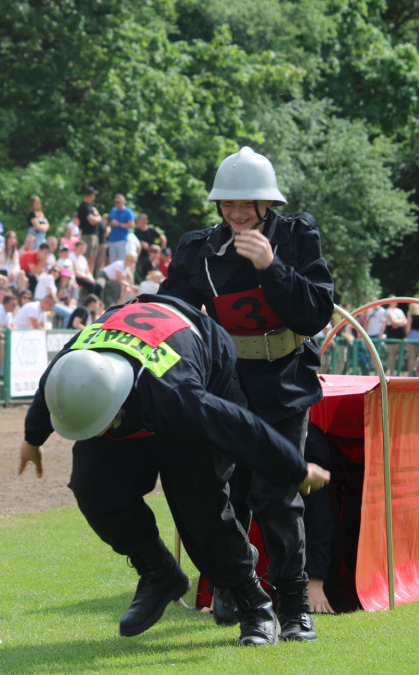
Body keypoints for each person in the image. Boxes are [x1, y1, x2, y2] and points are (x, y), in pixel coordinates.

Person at [19, 294, 331, 645]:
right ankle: (158, 572)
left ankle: (252, 602)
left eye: (101, 426)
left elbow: (241, 428)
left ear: (117, 405)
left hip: (200, 365)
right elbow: (51, 386)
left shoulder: (178, 394)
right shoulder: (74, 361)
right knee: (92, 484)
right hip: (130, 365)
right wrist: (32, 439)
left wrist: (293, 467)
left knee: (199, 507)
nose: (99, 434)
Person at [158, 146, 335, 640]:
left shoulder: (298, 236)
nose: (237, 213)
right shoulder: (197, 249)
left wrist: (272, 266)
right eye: (228, 203)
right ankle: (238, 590)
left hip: (283, 384)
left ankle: (295, 607)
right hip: (225, 389)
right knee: (224, 497)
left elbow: (316, 312)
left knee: (278, 496)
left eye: (248, 203)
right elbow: (173, 314)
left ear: (267, 203)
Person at [77, 186, 101, 265]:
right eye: (94, 194)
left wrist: (96, 217)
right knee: (87, 257)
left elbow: (95, 218)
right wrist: (99, 218)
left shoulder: (91, 207)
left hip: (93, 234)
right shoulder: (84, 206)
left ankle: (90, 275)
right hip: (87, 235)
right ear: (90, 195)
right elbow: (92, 221)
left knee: (92, 258)